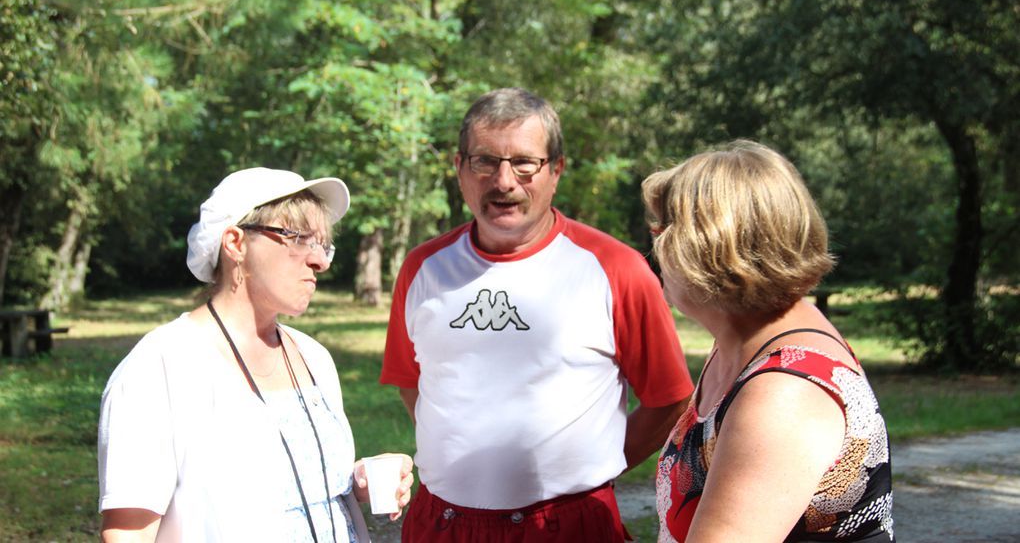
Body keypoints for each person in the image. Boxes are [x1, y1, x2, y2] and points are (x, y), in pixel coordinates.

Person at [381, 88, 695, 542]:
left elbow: (669, 397)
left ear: (556, 170)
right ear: (459, 168)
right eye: (484, 161)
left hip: (567, 524)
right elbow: (412, 381)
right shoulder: (423, 268)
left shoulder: (615, 268)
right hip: (441, 523)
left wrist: (594, 464)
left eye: (525, 163)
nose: (504, 181)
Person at [98, 167, 414, 542]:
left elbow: (300, 489)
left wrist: (356, 481)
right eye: (298, 238)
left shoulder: (312, 357)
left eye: (323, 245)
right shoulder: (160, 367)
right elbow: (127, 534)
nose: (321, 262)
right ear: (235, 243)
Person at [642, 140, 894, 542]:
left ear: (706, 251)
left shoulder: (783, 392)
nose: (654, 250)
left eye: (662, 232)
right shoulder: (741, 339)